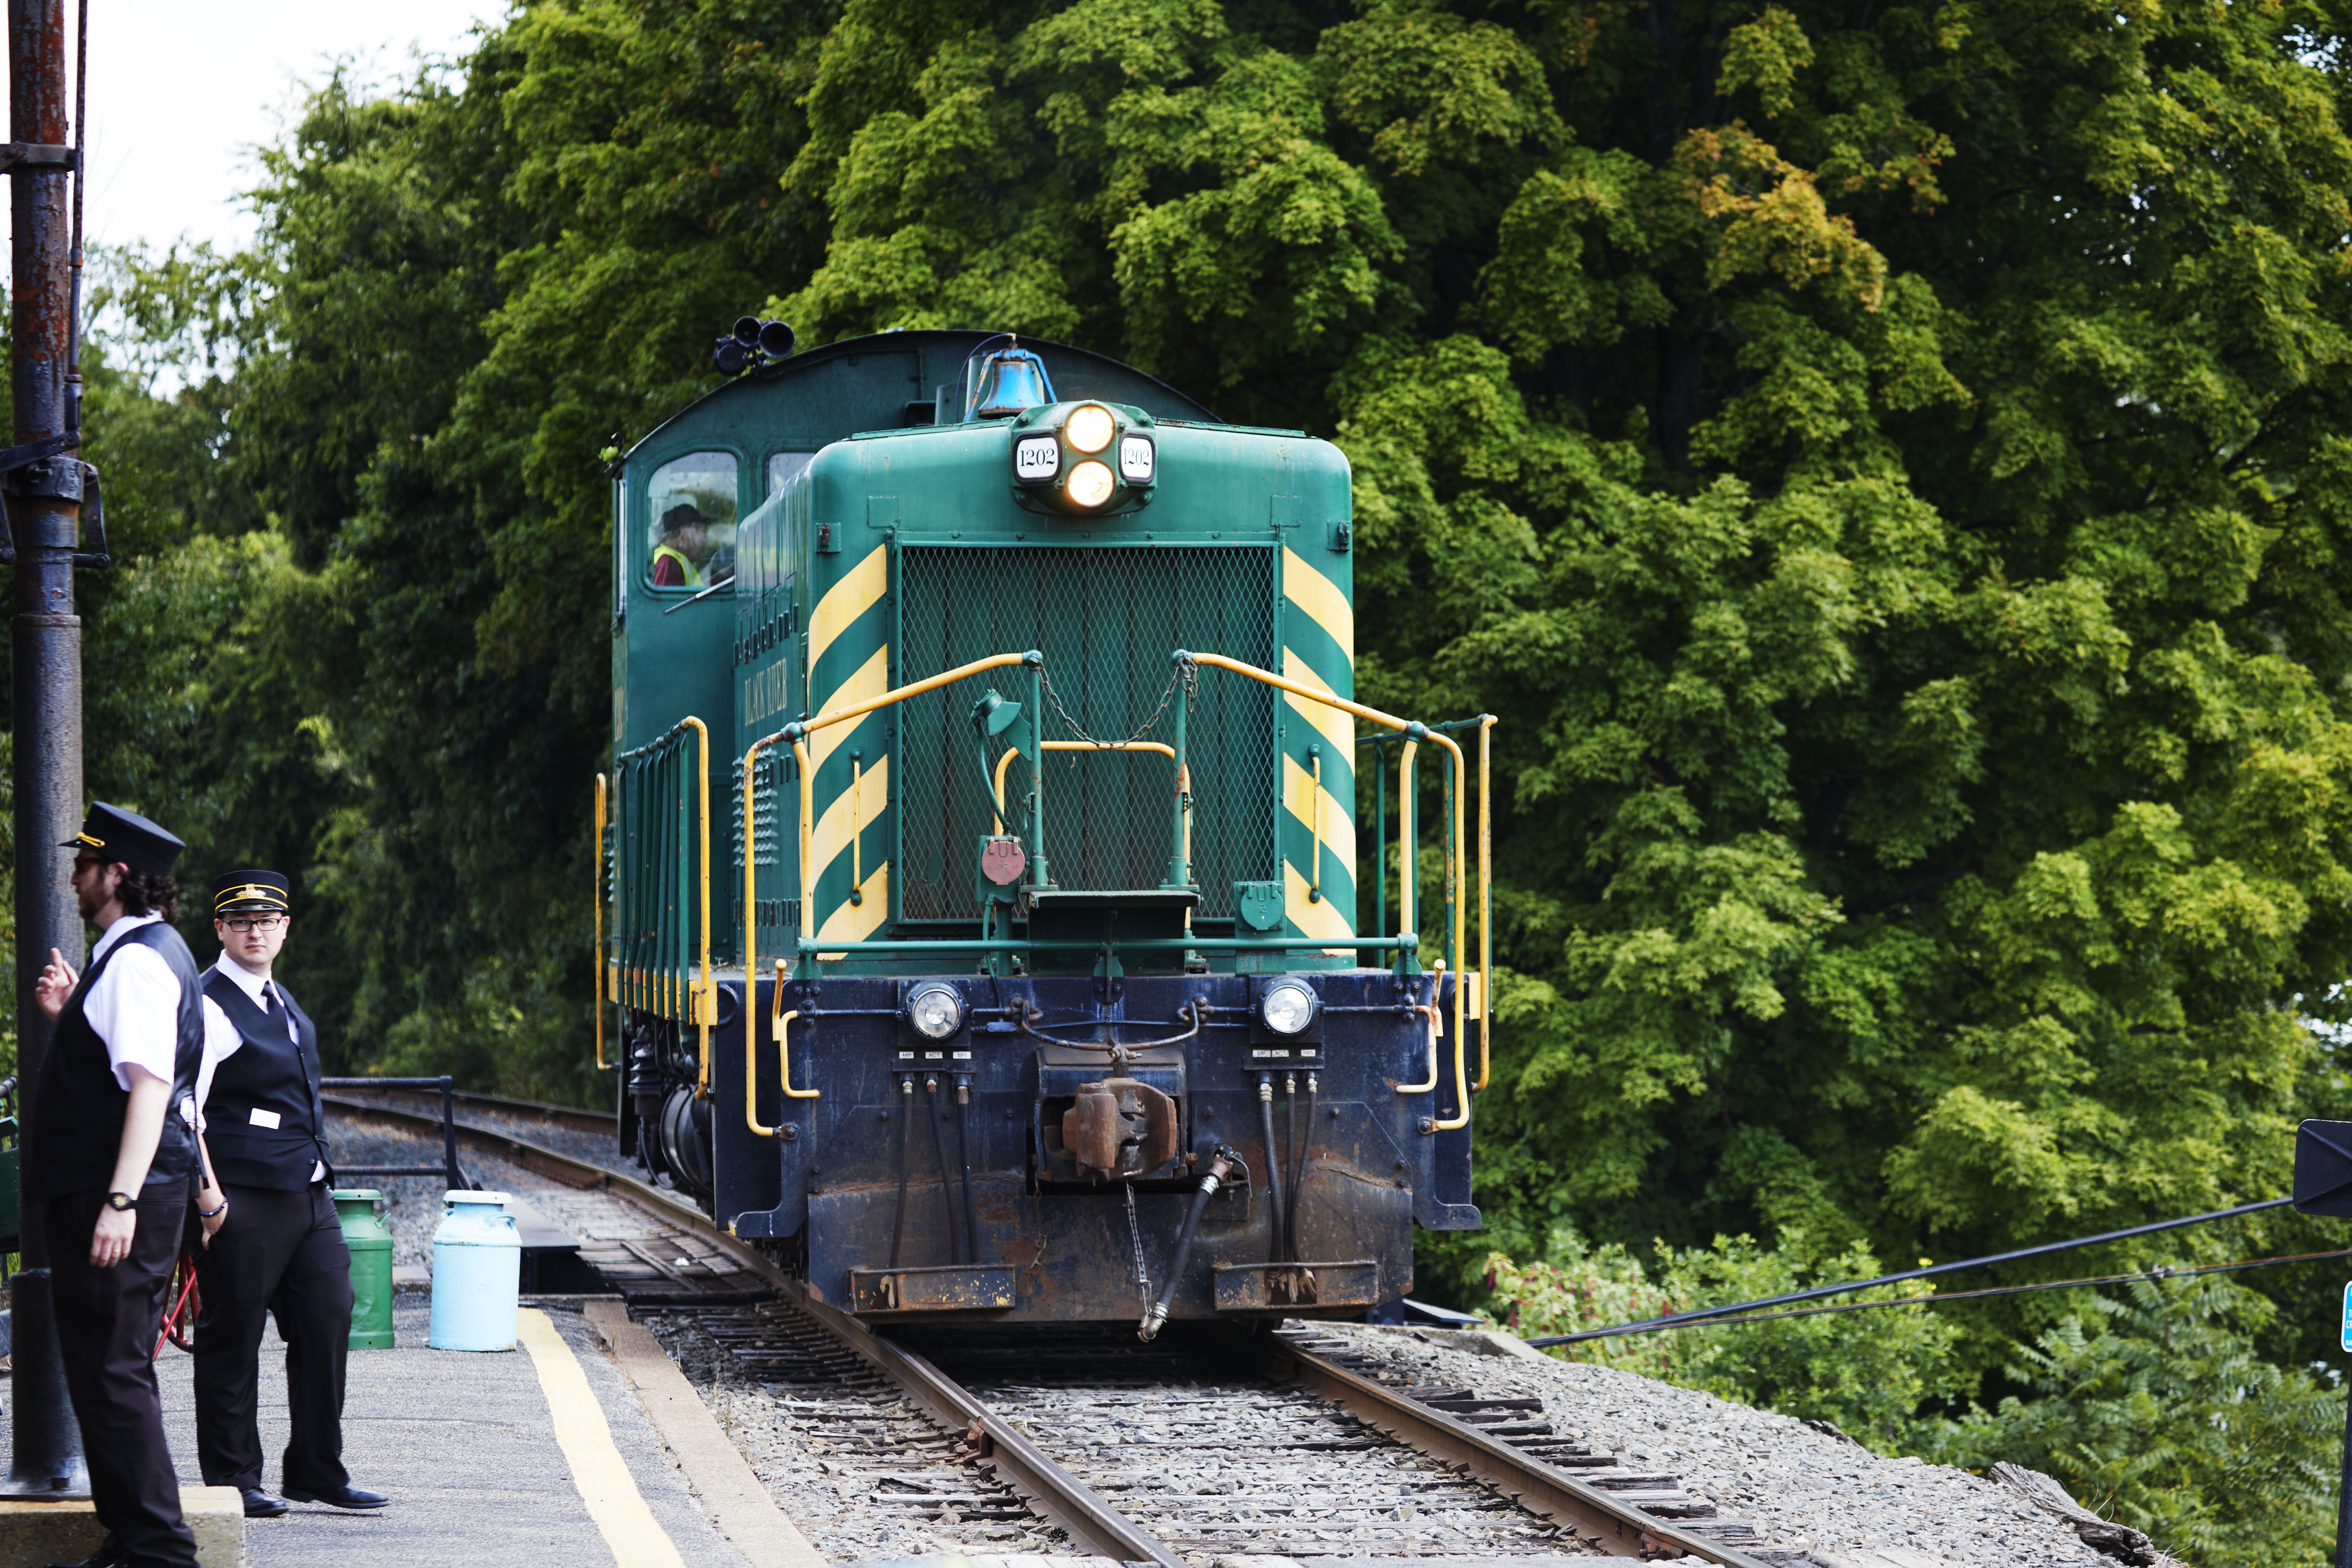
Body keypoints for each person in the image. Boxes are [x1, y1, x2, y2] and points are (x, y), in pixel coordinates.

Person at [24, 804, 205, 1568]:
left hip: (118, 1193)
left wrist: (122, 1200)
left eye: (85, 863)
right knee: (109, 1367)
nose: (73, 875)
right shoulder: (132, 954)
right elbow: (120, 1064)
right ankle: (134, 1535)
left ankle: (159, 1547)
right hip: (114, 1189)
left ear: (119, 874)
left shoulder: (135, 961)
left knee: (112, 1368)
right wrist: (72, 1016)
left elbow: (151, 1087)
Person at [187, 870, 385, 1520]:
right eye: (241, 921)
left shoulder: (280, 997)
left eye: (267, 921)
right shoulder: (210, 1003)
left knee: (329, 1315)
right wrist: (208, 1198)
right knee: (232, 1338)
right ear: (220, 928)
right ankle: (234, 1479)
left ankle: (317, 1470)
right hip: (242, 1198)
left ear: (285, 928)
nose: (255, 931)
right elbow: (182, 1104)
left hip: (307, 1195)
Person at [650, 502, 708, 587]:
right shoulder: (669, 564)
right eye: (703, 531)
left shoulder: (674, 560)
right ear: (684, 532)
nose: (706, 539)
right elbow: (665, 599)